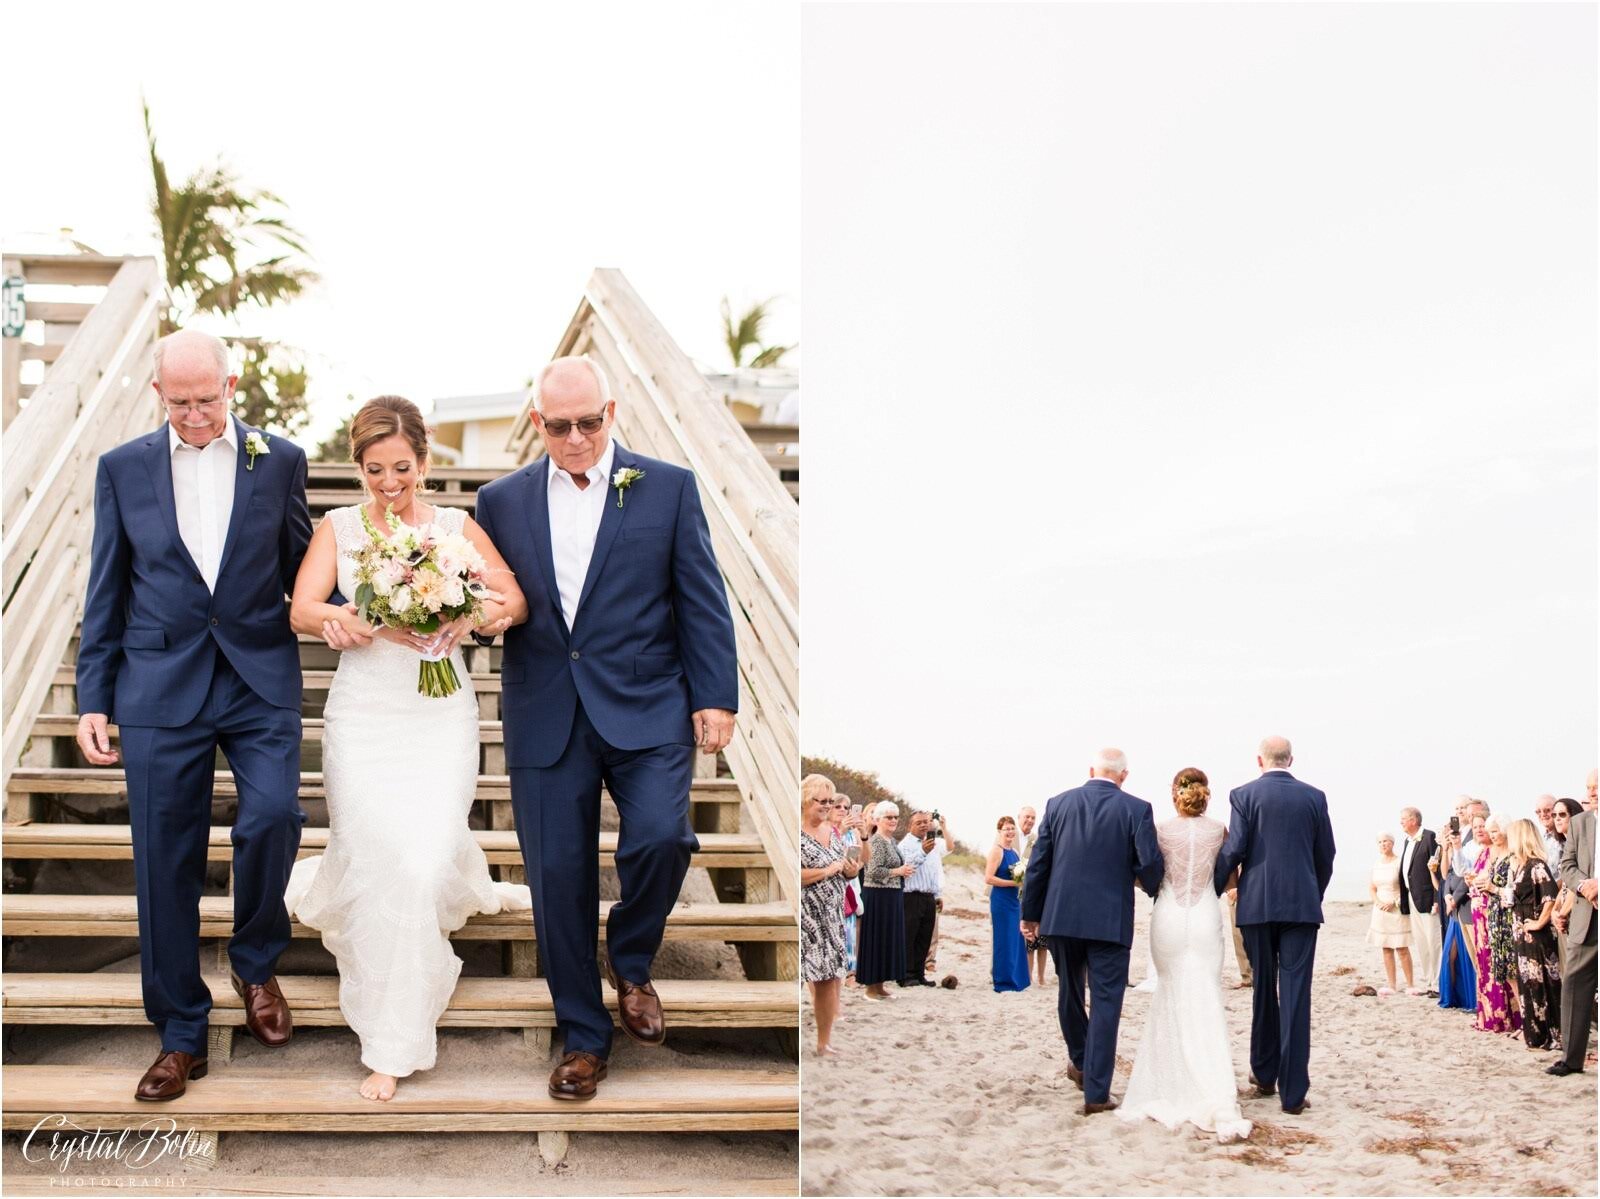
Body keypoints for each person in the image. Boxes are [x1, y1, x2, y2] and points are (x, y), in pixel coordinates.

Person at [471, 356, 738, 1101]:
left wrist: (716, 695)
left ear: (611, 411)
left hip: (650, 702)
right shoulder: (500, 500)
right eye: (561, 426)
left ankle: (632, 955)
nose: (578, 437)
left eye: (590, 421)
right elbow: (495, 598)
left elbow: (701, 596)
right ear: (538, 424)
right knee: (557, 881)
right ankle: (583, 1038)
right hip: (546, 708)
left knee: (662, 835)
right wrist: (473, 617)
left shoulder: (668, 487)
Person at [76, 331, 313, 1102]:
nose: (194, 415)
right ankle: (180, 1030)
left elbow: (307, 568)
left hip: (256, 674)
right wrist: (94, 697)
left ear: (232, 384)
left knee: (275, 815)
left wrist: (387, 599)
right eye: (178, 403)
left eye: (206, 400)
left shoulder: (280, 460)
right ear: (158, 394)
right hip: (156, 685)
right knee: (163, 858)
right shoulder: (121, 470)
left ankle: (254, 961)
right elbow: (105, 588)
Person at [284, 396, 530, 1100]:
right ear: (358, 467)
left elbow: (511, 601)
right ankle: (389, 1041)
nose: (389, 481)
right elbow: (303, 606)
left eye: (401, 467)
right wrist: (341, 618)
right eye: (374, 469)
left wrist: (467, 614)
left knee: (420, 861)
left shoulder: (457, 528)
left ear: (423, 461)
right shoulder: (338, 526)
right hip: (363, 717)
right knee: (380, 856)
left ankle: (400, 1019)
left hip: (438, 714)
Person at [1020, 748, 1163, 1116]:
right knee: (1106, 1002)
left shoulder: (1059, 803)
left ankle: (1082, 1061)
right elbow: (1148, 863)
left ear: (1091, 770)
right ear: (1124, 775)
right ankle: (1096, 1090)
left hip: (1062, 916)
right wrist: (1153, 886)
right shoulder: (1136, 809)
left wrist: (1031, 914)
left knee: (1069, 990)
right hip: (1109, 920)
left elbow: (1040, 863)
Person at [1118, 768, 1251, 1142]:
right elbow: (1230, 879)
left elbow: (1144, 874)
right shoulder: (1218, 831)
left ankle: (1170, 1080)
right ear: (1206, 794)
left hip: (1169, 917)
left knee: (1170, 994)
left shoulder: (1160, 831)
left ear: (1175, 794)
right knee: (1206, 995)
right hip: (1205, 915)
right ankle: (1211, 1082)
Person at [1213, 736, 1336, 1117]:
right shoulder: (1314, 797)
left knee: (1263, 989)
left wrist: (1214, 886)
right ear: (1291, 760)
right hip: (1300, 906)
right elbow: (1326, 854)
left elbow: (1235, 850)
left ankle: (1264, 1074)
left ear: (1260, 760)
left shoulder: (1243, 795)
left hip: (1257, 904)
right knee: (1297, 995)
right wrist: (1311, 892)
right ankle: (1293, 1092)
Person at [800, 775, 862, 1057]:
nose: (826, 807)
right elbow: (795, 875)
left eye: (830, 802)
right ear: (805, 800)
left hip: (832, 916)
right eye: (821, 801)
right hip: (806, 916)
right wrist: (829, 869)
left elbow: (848, 871)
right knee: (804, 975)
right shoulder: (795, 831)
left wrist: (850, 868)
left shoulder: (833, 831)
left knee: (828, 978)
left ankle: (823, 1043)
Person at [1502, 818, 1562, 1052]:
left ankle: (1551, 1033)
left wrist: (1538, 923)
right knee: (1529, 984)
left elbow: (1550, 897)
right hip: (1520, 932)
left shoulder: (1537, 865)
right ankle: (1535, 1034)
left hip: (1536, 937)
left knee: (1543, 984)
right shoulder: (1518, 865)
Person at [1550, 802, 1596, 1076]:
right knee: (1575, 984)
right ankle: (1571, 1059)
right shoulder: (1580, 823)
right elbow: (1567, 866)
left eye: (1597, 786)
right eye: (1590, 787)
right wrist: (1584, 885)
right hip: (1586, 915)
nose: (1593, 791)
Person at [1466, 815, 1520, 1035]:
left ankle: (1505, 1016)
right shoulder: (1482, 853)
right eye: (1477, 827)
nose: (1485, 832)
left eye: (1489, 829)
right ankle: (1488, 1015)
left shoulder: (1505, 854)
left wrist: (1485, 886)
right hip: (1479, 914)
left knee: (1498, 963)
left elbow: (1501, 886)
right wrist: (1472, 881)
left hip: (1494, 914)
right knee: (1485, 965)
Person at [857, 802, 915, 1000]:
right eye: (888, 817)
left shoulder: (891, 841)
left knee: (887, 941)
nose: (893, 821)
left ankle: (880, 985)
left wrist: (902, 872)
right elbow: (871, 870)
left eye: (895, 817)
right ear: (877, 820)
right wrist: (898, 871)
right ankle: (871, 988)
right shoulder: (876, 842)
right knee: (877, 940)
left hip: (892, 895)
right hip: (877, 897)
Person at [898, 810, 949, 987]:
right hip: (911, 895)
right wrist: (922, 851)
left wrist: (937, 895)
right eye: (918, 822)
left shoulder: (932, 843)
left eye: (926, 822)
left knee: (924, 937)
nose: (923, 825)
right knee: (909, 936)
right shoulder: (905, 845)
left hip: (928, 896)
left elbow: (934, 871)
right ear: (910, 825)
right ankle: (905, 974)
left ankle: (919, 974)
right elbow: (907, 867)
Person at [1395, 807, 1438, 996]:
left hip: (1428, 899)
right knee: (1421, 942)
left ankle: (1437, 982)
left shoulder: (1429, 837)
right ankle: (1429, 981)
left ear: (1414, 820)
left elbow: (1436, 870)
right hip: (1412, 898)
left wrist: (1437, 899)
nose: (1401, 822)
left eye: (1404, 819)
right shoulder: (1407, 841)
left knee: (1433, 940)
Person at [985, 816, 1029, 992]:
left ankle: (1016, 978)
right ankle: (1003, 980)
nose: (1010, 832)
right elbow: (988, 878)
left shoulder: (1015, 852)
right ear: (999, 832)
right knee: (1003, 939)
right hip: (1001, 900)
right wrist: (1013, 883)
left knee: (1015, 939)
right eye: (1006, 829)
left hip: (1014, 900)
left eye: (1012, 828)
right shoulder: (997, 851)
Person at [1368, 833, 1413, 997]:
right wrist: (1377, 902)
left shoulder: (1399, 862)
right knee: (1386, 948)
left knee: (1402, 947)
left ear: (1392, 843)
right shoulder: (1377, 864)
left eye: (1385, 841)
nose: (1382, 844)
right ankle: (1392, 985)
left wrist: (1394, 902)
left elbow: (1406, 887)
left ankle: (1410, 984)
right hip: (1380, 910)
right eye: (1379, 842)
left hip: (1396, 907)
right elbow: (1372, 887)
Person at [1549, 797, 1584, 977]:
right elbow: (1562, 884)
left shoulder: (1583, 846)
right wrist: (1554, 911)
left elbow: (1576, 883)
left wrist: (1561, 913)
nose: (1557, 818)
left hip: (1578, 913)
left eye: (1562, 814)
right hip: (1563, 914)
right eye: (1554, 815)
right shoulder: (1564, 846)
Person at [1016, 806, 1049, 984]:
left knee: (1042, 941)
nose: (1030, 820)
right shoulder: (1009, 837)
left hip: (1038, 894)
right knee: (1027, 941)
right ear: (1019, 817)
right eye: (1027, 817)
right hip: (1018, 895)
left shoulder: (1037, 840)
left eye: (1033, 818)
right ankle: (1027, 975)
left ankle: (1041, 977)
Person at [835, 795, 864, 985]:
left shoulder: (852, 834)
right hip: (834, 883)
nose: (843, 810)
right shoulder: (829, 831)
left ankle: (851, 973)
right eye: (837, 806)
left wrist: (863, 833)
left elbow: (863, 860)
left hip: (851, 884)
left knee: (851, 929)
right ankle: (839, 972)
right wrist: (840, 829)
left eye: (846, 807)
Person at [1535, 796, 1562, 871]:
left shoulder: (1566, 837)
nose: (1543, 814)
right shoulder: (1539, 840)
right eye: (1538, 812)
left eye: (1547, 810)